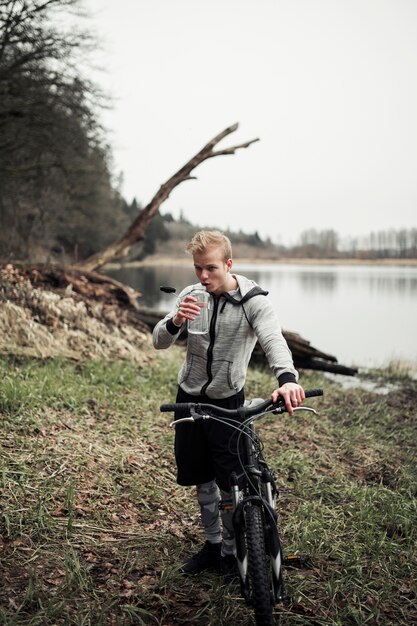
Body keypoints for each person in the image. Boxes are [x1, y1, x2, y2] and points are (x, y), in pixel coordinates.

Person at [152, 230, 305, 576]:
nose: (203, 277)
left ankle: (231, 553)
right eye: (197, 269)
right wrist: (175, 321)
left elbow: (273, 340)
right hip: (188, 399)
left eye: (210, 269)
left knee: (229, 482)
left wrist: (288, 379)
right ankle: (212, 544)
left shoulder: (254, 301)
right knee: (200, 479)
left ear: (229, 264)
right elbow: (158, 341)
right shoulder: (191, 296)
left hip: (228, 402)